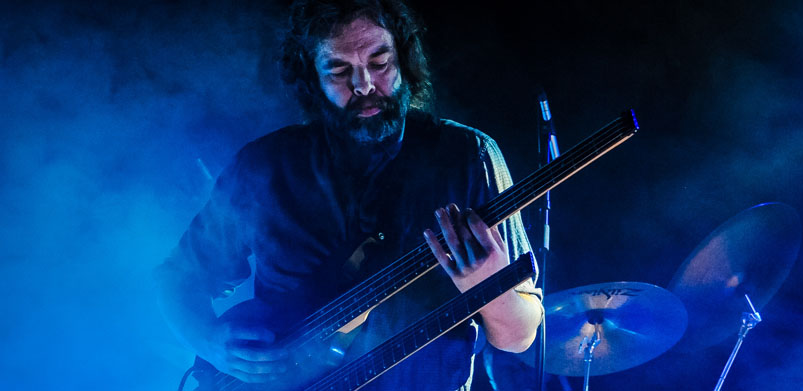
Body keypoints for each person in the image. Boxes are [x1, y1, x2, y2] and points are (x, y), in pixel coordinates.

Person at [154, 0, 543, 389]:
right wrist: (210, 343)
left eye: (380, 62)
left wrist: (488, 284)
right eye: (340, 70)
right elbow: (176, 278)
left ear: (404, 64)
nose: (365, 85)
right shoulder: (264, 167)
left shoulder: (467, 156)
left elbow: (518, 336)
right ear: (311, 79)